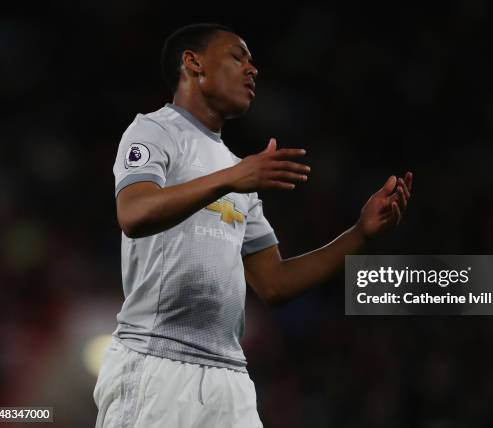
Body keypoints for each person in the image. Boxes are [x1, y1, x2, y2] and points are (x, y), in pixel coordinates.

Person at [93, 23, 413, 428]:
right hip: (157, 364)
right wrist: (233, 179)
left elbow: (274, 282)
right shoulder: (155, 130)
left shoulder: (237, 169)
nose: (253, 69)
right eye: (237, 56)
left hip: (229, 377)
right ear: (193, 63)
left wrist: (360, 234)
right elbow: (133, 214)